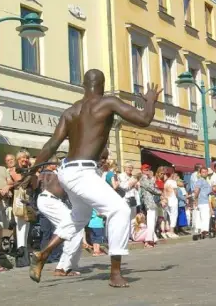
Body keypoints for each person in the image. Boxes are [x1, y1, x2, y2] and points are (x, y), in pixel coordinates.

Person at [28, 69, 162, 288]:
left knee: (79, 218)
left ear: (83, 84)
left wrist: (33, 170)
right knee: (119, 209)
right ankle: (115, 273)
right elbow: (144, 119)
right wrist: (149, 101)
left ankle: (42, 254)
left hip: (67, 170)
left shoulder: (71, 111)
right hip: (82, 172)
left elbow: (52, 144)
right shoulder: (107, 102)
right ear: (102, 84)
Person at [35, 156, 82, 276]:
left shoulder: (67, 171)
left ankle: (65, 266)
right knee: (74, 230)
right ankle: (63, 267)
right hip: (50, 201)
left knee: (71, 230)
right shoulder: (65, 170)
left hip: (53, 201)